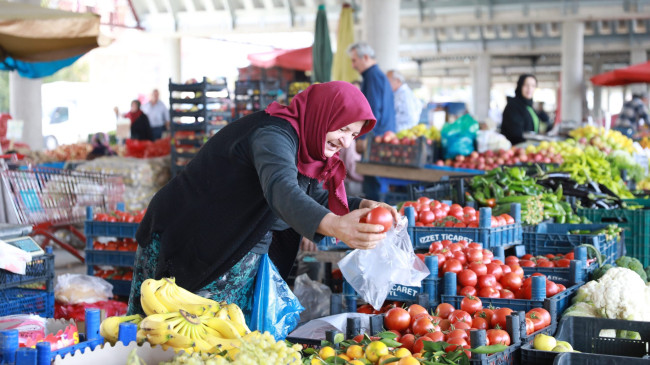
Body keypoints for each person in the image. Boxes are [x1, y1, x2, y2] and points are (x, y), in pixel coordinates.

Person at [126, 82, 399, 317]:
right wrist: (336, 226)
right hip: (190, 236)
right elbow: (282, 190)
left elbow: (310, 193)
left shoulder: (305, 144)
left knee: (221, 342)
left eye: (353, 135)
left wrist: (362, 206)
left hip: (238, 244)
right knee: (164, 333)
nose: (347, 143)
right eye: (343, 129)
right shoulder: (273, 135)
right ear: (323, 115)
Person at [347, 42, 396, 201]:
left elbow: (372, 111)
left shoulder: (372, 76)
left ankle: (378, 222)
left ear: (366, 57)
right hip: (381, 137)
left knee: (373, 186)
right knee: (376, 183)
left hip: (375, 140)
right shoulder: (377, 75)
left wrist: (364, 137)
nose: (353, 65)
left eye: (354, 60)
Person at [501, 74, 540, 145]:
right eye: (526, 85)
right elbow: (514, 133)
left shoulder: (529, 106)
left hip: (530, 148)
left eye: (533, 86)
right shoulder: (513, 106)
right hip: (516, 149)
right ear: (520, 86)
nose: (529, 89)